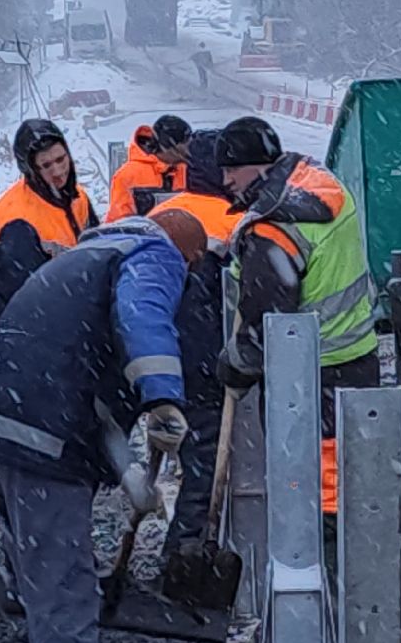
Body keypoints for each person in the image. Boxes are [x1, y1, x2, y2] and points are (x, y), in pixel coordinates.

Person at [0, 212, 208, 643]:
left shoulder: (83, 261)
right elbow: (143, 314)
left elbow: (89, 395)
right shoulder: (152, 254)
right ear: (186, 254)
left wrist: (130, 477)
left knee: (41, 580)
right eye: (190, 269)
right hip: (38, 431)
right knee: (65, 588)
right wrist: (163, 396)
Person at [213, 117, 379, 518]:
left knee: (311, 489)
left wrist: (232, 367)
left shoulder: (272, 231)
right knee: (353, 476)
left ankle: (322, 559)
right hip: (357, 358)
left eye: (233, 168)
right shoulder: (320, 185)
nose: (226, 180)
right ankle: (347, 550)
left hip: (308, 375)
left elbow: (266, 332)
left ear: (259, 165)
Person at [147, 131, 242, 551]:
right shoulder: (234, 220)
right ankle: (186, 553)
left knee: (185, 451)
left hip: (157, 356)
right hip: (204, 360)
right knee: (206, 463)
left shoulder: (163, 212)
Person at [0, 119, 100, 252]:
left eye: (60, 159)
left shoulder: (77, 197)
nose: (58, 171)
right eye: (46, 165)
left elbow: (98, 247)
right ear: (31, 170)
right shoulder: (16, 220)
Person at [107, 116, 193, 222]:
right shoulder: (127, 176)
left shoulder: (191, 171)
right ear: (170, 146)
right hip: (143, 238)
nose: (191, 148)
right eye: (187, 143)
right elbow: (118, 223)